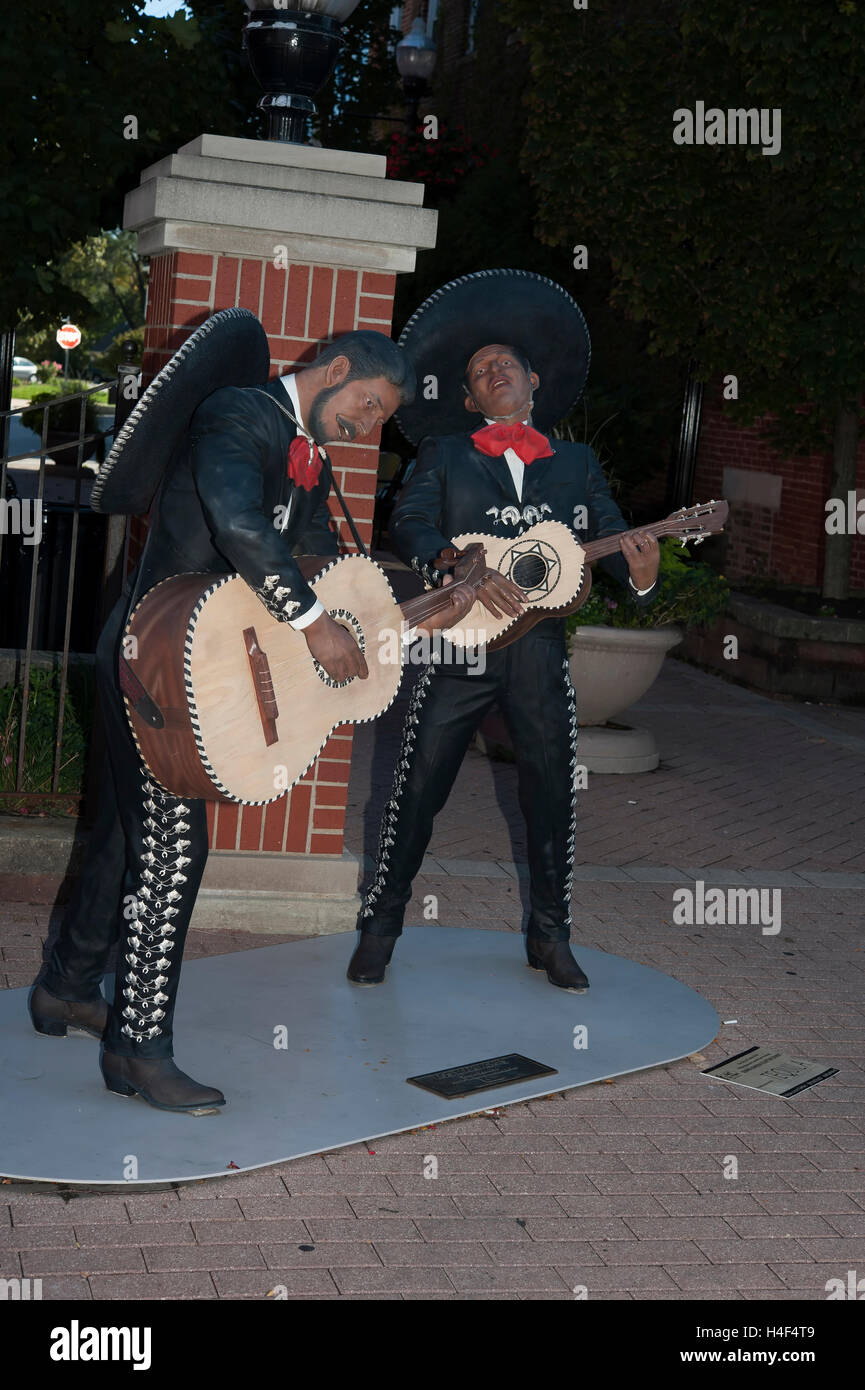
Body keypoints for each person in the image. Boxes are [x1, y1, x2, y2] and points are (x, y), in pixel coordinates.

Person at [29, 315, 425, 1113]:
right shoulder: (238, 414)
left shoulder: (307, 458)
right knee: (174, 848)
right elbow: (241, 526)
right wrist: (313, 625)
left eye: (380, 419)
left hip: (181, 653)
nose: (368, 428)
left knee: (118, 826)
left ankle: (67, 988)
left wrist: (396, 601)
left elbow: (316, 558)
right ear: (336, 367)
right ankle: (137, 1050)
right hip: (160, 653)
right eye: (370, 406)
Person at [348, 270, 660, 992]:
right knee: (417, 786)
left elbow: (608, 532)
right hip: (455, 641)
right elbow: (408, 521)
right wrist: (445, 555)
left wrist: (639, 572)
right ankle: (381, 927)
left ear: (533, 382)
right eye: (480, 371)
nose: (495, 373)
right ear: (468, 397)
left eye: (506, 365)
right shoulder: (447, 455)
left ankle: (550, 936)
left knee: (551, 790)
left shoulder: (576, 464)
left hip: (539, 650)